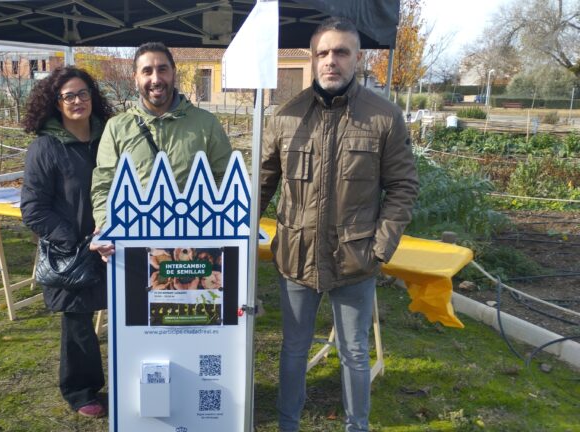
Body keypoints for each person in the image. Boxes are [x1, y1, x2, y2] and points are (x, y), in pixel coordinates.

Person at [259, 17, 419, 432]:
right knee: (293, 350)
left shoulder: (383, 117)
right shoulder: (286, 116)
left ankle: (356, 426)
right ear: (313, 58)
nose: (331, 60)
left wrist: (380, 247)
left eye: (341, 52)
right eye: (323, 52)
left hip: (355, 259)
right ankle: (288, 425)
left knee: (354, 352)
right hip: (296, 256)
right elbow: (261, 182)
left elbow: (403, 187)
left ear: (357, 58)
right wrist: (236, 233)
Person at [20, 66, 114, 418]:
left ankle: (136, 378)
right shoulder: (46, 148)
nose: (77, 101)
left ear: (93, 96)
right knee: (78, 323)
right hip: (74, 252)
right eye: (69, 96)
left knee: (129, 313)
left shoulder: (110, 139)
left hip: (116, 244)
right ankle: (81, 390)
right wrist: (75, 240)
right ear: (56, 103)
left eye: (83, 93)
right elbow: (33, 209)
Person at [90, 42, 233, 258]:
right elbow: (104, 185)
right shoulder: (117, 127)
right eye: (147, 71)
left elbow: (224, 177)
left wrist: (215, 224)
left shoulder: (206, 124)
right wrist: (106, 228)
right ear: (135, 78)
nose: (156, 79)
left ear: (173, 72)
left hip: (193, 242)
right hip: (134, 243)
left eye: (162, 69)